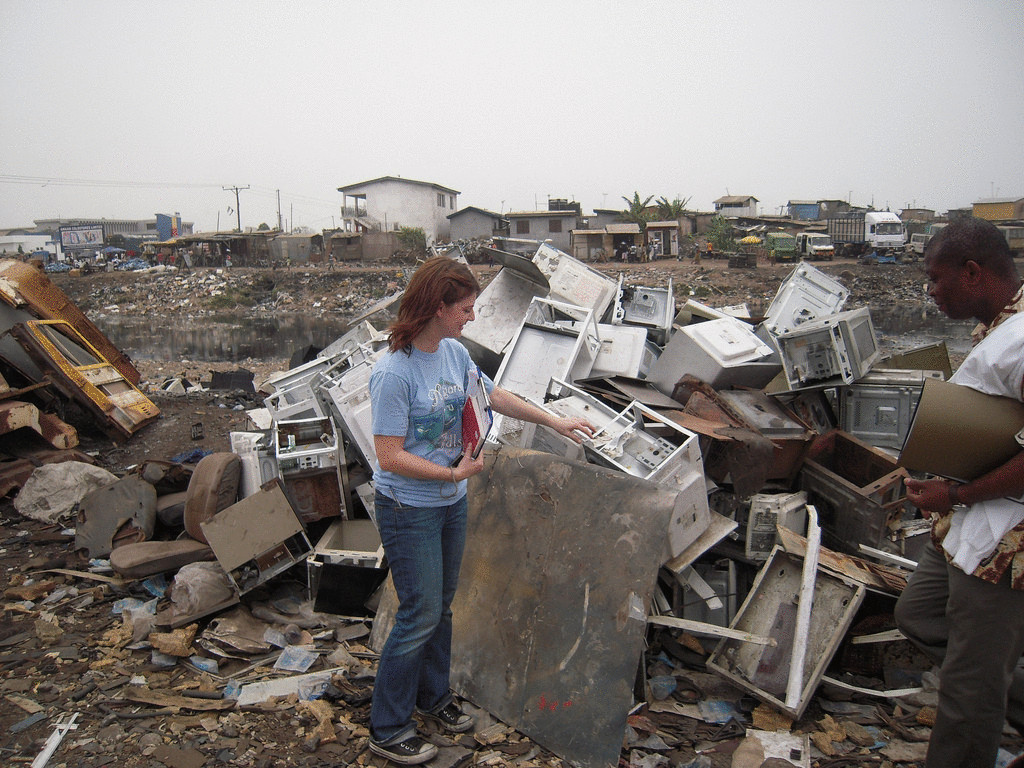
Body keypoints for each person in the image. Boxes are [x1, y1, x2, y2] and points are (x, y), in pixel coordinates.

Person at [367, 257, 596, 764]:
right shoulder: (393, 372)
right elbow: (388, 455)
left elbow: (491, 395)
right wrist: (452, 474)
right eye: (465, 308)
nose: (472, 317)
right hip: (409, 508)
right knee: (418, 614)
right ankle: (387, 726)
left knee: (440, 607)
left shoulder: (451, 353)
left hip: (451, 503)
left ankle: (434, 697)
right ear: (438, 306)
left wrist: (555, 422)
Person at [894, 216, 1024, 768]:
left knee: (968, 692)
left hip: (1002, 540)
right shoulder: (1000, 324)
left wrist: (958, 495)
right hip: (965, 524)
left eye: (936, 279)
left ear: (972, 273)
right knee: (919, 614)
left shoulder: (1020, 340)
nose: (930, 291)